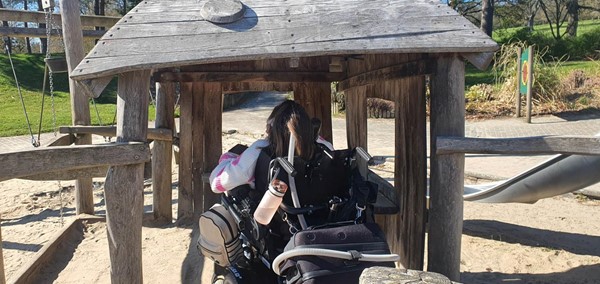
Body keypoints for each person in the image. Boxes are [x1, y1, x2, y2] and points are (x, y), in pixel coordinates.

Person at [209, 100, 333, 194]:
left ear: (272, 128)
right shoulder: (324, 148)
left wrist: (227, 157)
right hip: (316, 218)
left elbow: (216, 183)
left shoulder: (259, 152)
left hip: (274, 222)